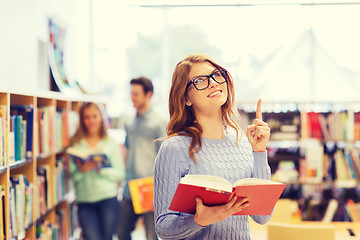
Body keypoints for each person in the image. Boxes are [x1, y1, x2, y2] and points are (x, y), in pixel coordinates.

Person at [153, 54, 272, 240]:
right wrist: (198, 220)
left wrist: (259, 152)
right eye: (200, 81)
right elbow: (163, 228)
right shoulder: (173, 148)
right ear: (185, 98)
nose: (213, 83)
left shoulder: (243, 142)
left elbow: (262, 216)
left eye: (216, 75)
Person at [117, 76, 166, 240]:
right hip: (129, 187)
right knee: (122, 232)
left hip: (149, 189)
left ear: (148, 95)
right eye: (131, 93)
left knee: (151, 236)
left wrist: (160, 191)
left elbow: (165, 159)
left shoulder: (159, 122)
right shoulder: (129, 121)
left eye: (136, 94)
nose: (133, 98)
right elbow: (127, 150)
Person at [68, 102, 125, 240]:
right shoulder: (76, 143)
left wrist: (100, 169)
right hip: (84, 201)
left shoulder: (110, 142)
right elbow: (72, 176)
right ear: (82, 120)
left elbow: (120, 174)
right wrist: (82, 170)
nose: (91, 121)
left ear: (101, 117)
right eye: (87, 117)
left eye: (94, 116)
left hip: (108, 200)